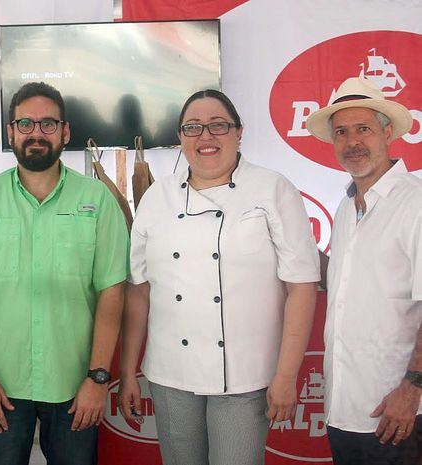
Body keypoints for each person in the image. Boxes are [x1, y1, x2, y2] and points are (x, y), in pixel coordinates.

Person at [119, 89, 320, 465]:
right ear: (180, 137)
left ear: (239, 132)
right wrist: (128, 371)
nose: (205, 137)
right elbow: (139, 291)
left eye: (218, 126)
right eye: (193, 128)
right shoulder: (156, 198)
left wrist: (286, 376)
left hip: (245, 376)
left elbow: (302, 288)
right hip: (170, 373)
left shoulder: (272, 189)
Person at [0, 82, 128, 465]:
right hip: (0, 387)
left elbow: (111, 292)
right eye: (25, 123)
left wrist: (98, 379)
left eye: (47, 124)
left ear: (65, 132)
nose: (36, 133)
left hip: (74, 386)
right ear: (11, 132)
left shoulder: (97, 200)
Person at [306, 76, 421, 465]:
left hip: (400, 411)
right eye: (342, 132)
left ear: (387, 132)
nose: (352, 141)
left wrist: (413, 388)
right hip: (343, 408)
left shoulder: (416, 204)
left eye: (364, 129)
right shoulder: (345, 207)